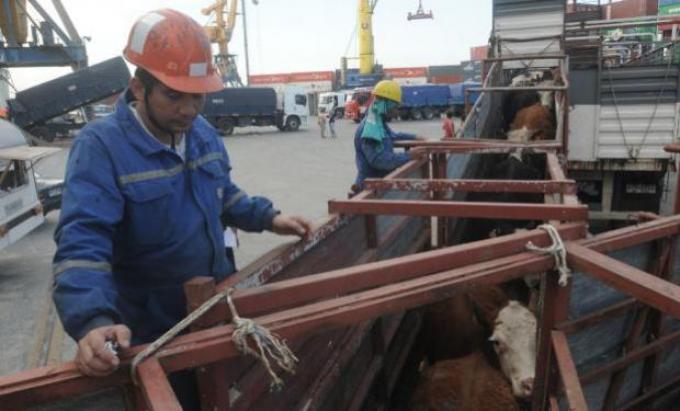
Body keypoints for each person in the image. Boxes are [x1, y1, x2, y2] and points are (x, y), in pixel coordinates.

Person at [51, 9, 313, 405]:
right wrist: (92, 320)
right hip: (150, 329)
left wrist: (269, 218)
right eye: (175, 95)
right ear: (139, 88)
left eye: (198, 96)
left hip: (214, 307)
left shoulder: (202, 133)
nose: (189, 109)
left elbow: (223, 193)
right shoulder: (101, 148)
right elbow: (83, 241)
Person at [352, 80, 424, 192]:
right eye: (395, 108)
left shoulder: (378, 122)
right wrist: (408, 155)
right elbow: (379, 160)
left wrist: (415, 137)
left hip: (378, 185)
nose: (397, 113)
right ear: (385, 105)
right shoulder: (370, 129)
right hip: (370, 190)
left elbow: (392, 136)